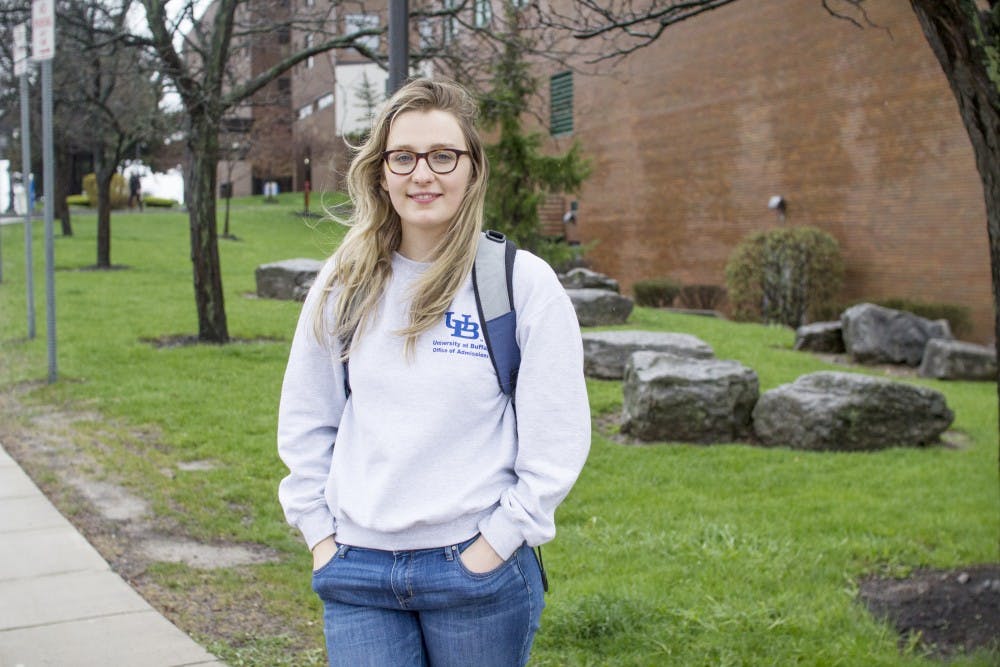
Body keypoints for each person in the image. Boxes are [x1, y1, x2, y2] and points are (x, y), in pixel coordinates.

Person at [277, 78, 591, 667]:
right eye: (404, 157)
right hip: (358, 569)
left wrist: (493, 546)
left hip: (474, 573)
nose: (423, 174)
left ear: (472, 169)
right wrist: (321, 538)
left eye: (443, 156)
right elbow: (306, 422)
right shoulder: (342, 283)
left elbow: (558, 441)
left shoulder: (519, 283)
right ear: (381, 172)